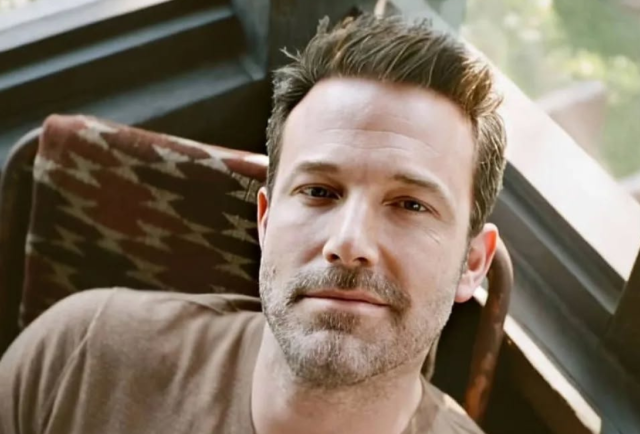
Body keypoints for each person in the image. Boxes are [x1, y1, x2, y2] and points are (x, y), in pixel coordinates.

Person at [0, 13, 506, 434]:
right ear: (265, 221)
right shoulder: (81, 356)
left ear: (472, 263)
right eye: (319, 191)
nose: (348, 242)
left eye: (410, 205)